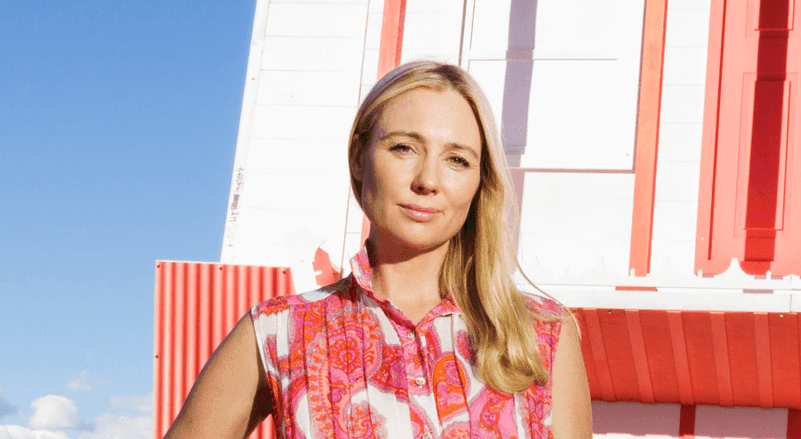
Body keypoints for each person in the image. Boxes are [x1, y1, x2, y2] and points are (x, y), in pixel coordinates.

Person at [166, 61, 592, 439]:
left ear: (481, 181)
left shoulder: (543, 335)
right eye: (404, 148)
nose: (428, 179)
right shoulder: (278, 331)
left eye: (457, 159)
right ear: (359, 157)